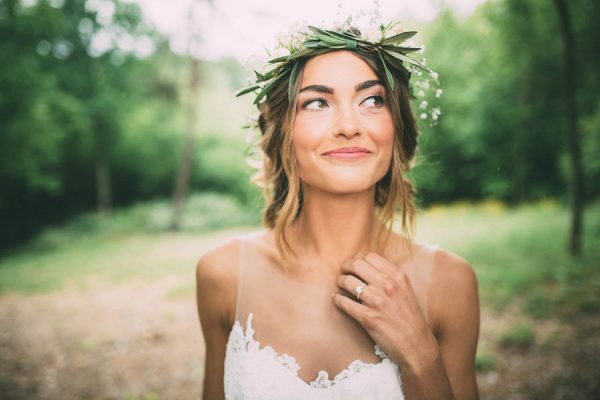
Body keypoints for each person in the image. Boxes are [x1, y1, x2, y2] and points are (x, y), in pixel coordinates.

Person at [196, 16, 480, 400]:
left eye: (372, 100)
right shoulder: (223, 275)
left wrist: (420, 354)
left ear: (396, 129)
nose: (349, 125)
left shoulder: (452, 284)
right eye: (317, 102)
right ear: (282, 133)